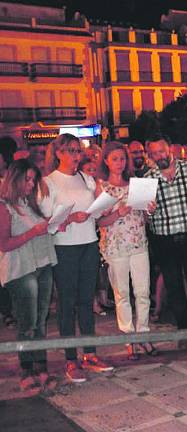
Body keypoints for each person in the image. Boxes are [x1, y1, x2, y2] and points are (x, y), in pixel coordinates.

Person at [40, 134, 114, 382]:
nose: (76, 155)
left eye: (77, 150)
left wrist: (101, 202)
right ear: (59, 152)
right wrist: (70, 218)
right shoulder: (49, 183)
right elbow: (47, 223)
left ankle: (90, 354)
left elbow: (99, 210)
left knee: (86, 300)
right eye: (71, 150)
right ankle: (70, 359)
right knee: (67, 303)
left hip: (89, 244)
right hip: (65, 248)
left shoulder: (86, 178)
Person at [144, 135, 187, 344]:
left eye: (161, 151)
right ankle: (185, 331)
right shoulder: (146, 179)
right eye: (154, 153)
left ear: (170, 150)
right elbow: (143, 215)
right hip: (164, 240)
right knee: (174, 288)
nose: (159, 156)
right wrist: (148, 211)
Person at [0, 159, 58, 390]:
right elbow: (4, 244)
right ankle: (26, 371)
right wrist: (35, 231)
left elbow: (40, 229)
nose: (31, 184)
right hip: (21, 269)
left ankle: (41, 368)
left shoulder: (29, 203)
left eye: (34, 180)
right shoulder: (4, 206)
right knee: (27, 322)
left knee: (41, 320)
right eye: (27, 179)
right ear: (15, 179)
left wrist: (53, 226)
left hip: (42, 263)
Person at [96, 142, 157, 359]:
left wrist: (149, 210)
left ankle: (143, 334)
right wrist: (119, 213)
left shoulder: (135, 184)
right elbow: (100, 221)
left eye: (122, 158)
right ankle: (128, 338)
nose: (119, 163)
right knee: (122, 294)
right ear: (106, 160)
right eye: (115, 159)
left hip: (138, 242)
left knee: (142, 292)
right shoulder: (102, 187)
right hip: (115, 246)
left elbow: (145, 216)